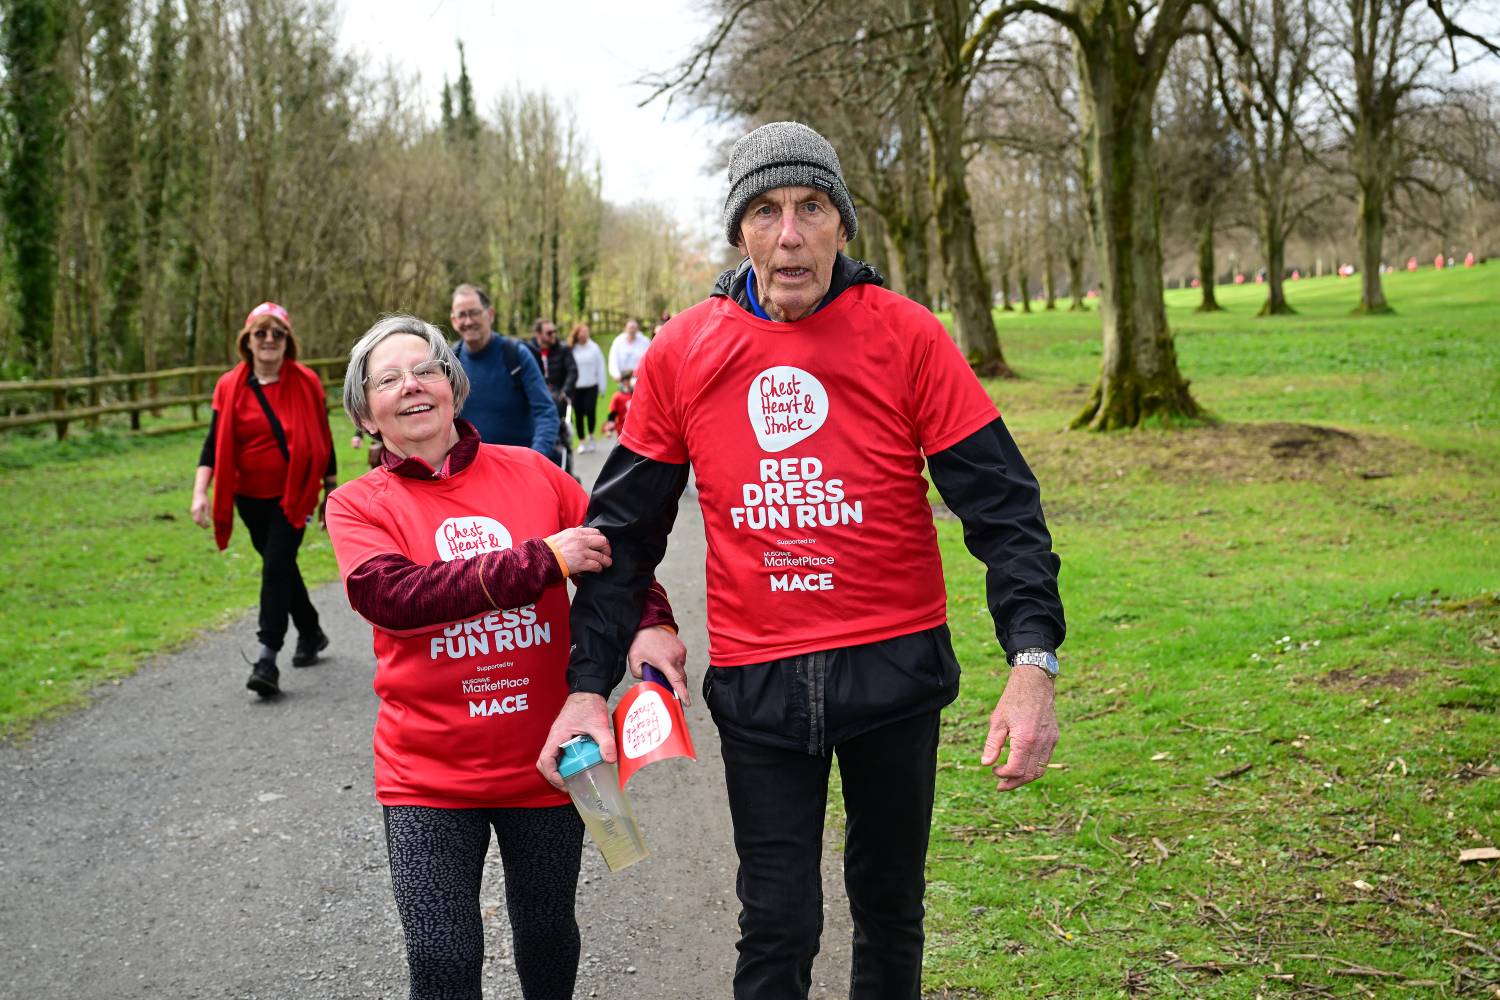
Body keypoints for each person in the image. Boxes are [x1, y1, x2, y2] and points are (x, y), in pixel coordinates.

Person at [537, 121, 1065, 1000]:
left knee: (890, 909)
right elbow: (620, 537)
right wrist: (588, 683)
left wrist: (1032, 660)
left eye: (812, 208)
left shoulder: (908, 336)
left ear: (842, 226)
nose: (790, 236)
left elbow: (1005, 508)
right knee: (778, 924)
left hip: (894, 670)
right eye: (767, 211)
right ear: (739, 232)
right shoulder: (683, 352)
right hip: (762, 687)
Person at [325, 314, 684, 1000]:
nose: (411, 386)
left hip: (550, 758)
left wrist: (650, 622)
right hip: (427, 776)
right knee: (442, 958)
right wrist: (542, 559)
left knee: (548, 936)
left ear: (454, 386)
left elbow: (614, 560)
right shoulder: (355, 506)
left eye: (425, 369)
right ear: (365, 415)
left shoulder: (534, 473)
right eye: (388, 380)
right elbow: (392, 595)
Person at [189, 301, 335, 698]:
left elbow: (323, 438)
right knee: (281, 566)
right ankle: (311, 630)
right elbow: (213, 443)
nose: (269, 339)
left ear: (288, 340)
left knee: (275, 568)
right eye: (261, 333)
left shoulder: (306, 382)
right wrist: (200, 491)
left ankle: (267, 657)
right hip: (248, 498)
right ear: (247, 341)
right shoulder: (229, 386)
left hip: (295, 494)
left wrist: (330, 489)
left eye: (277, 333)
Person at [449, 283, 557, 458]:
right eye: (462, 315)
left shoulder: (516, 355)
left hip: (517, 466)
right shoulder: (450, 363)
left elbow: (546, 412)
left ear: (490, 314)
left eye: (474, 313)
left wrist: (534, 459)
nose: (468, 321)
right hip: (471, 469)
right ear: (454, 321)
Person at [569, 323, 605, 453]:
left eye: (586, 332)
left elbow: (600, 367)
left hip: (591, 386)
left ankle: (591, 436)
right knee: (578, 414)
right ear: (577, 334)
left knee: (590, 411)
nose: (584, 334)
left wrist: (602, 387)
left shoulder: (594, 348)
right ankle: (582, 441)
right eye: (582, 332)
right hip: (576, 388)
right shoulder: (572, 349)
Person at [606, 317, 650, 385]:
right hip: (623, 378)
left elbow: (649, 359)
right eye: (630, 328)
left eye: (634, 328)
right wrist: (616, 374)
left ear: (637, 329)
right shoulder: (618, 341)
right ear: (625, 328)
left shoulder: (645, 342)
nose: (632, 330)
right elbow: (613, 359)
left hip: (640, 378)